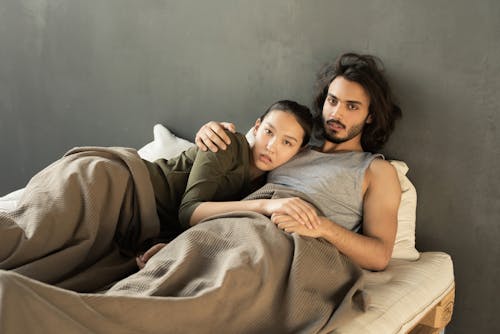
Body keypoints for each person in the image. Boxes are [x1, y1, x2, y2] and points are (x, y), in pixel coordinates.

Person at [0, 99, 315, 291]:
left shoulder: (253, 188)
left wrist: (158, 243)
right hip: (111, 184)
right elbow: (190, 211)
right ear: (257, 127)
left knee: (52, 275)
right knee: (25, 237)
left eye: (287, 142)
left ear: (298, 153)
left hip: (132, 222)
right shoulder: (227, 143)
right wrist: (267, 206)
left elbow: (182, 222)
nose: (272, 146)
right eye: (270, 132)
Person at [194, 53, 403, 271]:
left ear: (370, 115)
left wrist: (322, 227)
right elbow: (235, 174)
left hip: (284, 252)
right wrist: (212, 131)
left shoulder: (376, 170)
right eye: (332, 101)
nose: (336, 113)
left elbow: (379, 257)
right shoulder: (291, 148)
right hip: (236, 230)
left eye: (352, 106)